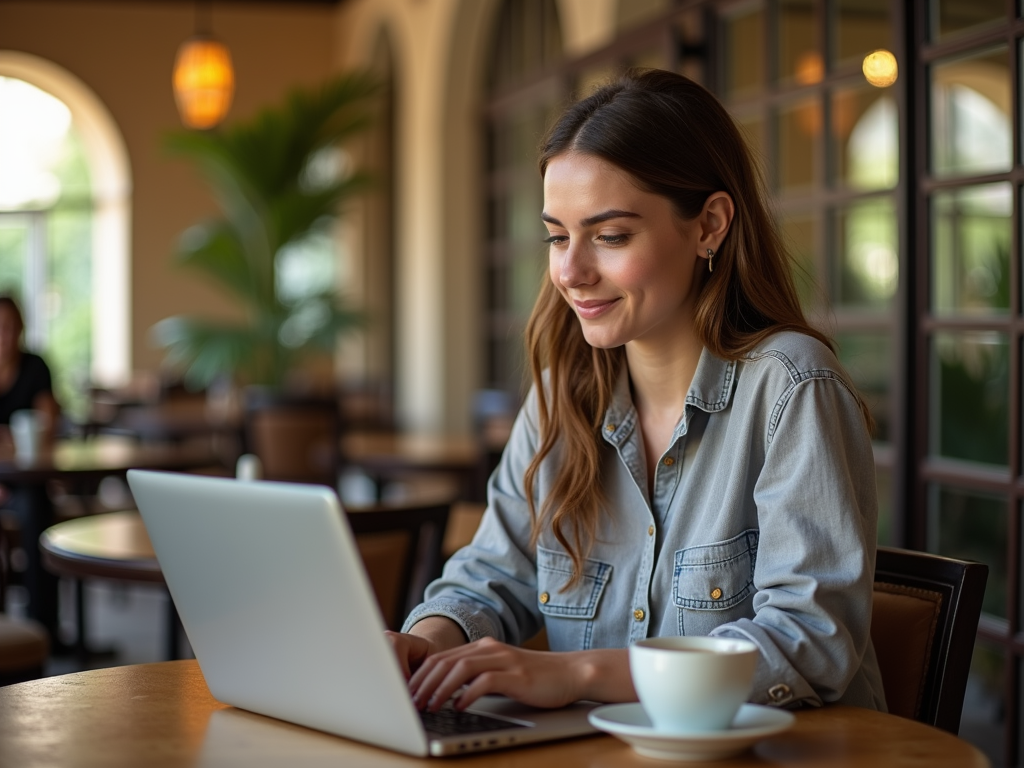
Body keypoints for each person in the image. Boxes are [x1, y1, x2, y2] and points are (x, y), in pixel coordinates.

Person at [388, 69, 887, 716]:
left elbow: (808, 641)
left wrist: (578, 673)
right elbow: (492, 577)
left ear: (709, 225)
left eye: (611, 236)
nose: (571, 271)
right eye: (557, 236)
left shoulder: (793, 389)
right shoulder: (559, 399)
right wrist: (425, 647)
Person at [0, 295, 60, 446]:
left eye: (9, 327)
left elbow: (48, 423)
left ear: (20, 328)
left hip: (27, 463)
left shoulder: (35, 367)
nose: (3, 336)